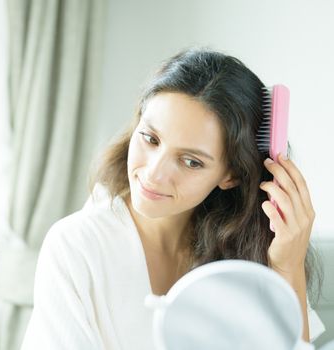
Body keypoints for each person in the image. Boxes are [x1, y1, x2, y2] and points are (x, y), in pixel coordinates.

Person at [20, 48, 325, 349]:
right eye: (151, 139)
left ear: (230, 175)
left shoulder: (244, 251)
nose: (154, 174)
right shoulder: (76, 247)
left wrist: (288, 266)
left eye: (191, 161)